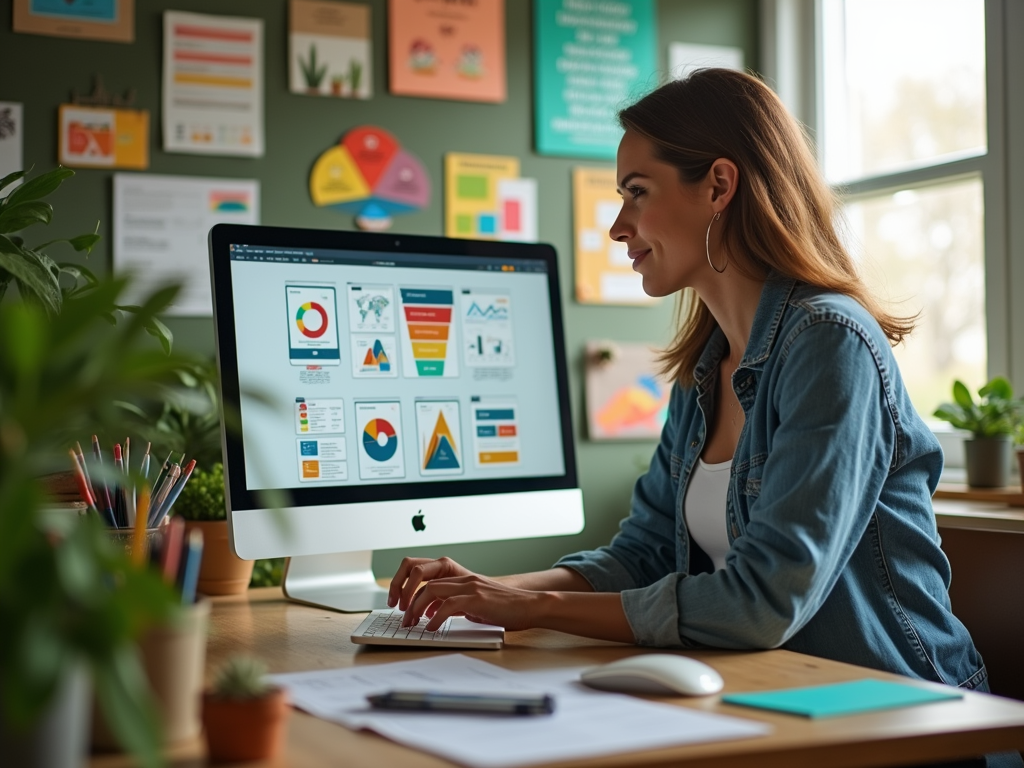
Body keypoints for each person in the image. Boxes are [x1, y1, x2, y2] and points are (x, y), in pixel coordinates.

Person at [388, 69, 1021, 768]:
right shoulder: (705, 367)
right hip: (777, 712)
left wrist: (530, 608)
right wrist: (486, 593)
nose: (617, 226)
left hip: (903, 728)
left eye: (637, 192)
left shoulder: (830, 345)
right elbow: (644, 553)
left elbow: (763, 601)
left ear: (719, 186)